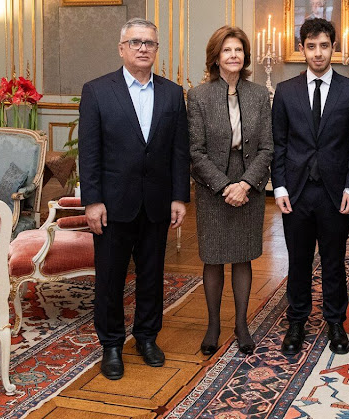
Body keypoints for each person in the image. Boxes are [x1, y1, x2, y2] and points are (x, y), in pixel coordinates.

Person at [79, 18, 190, 380]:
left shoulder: (173, 93)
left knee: (152, 276)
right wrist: (92, 201)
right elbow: (90, 152)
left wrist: (179, 197)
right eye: (136, 42)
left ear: (157, 50)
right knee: (110, 278)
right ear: (121, 48)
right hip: (112, 205)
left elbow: (179, 150)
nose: (143, 48)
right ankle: (111, 344)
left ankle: (146, 337)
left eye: (150, 43)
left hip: (157, 203)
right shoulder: (96, 90)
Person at [271, 18, 349, 356]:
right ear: (302, 49)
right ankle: (297, 321)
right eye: (311, 46)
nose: (318, 53)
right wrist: (278, 187)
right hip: (295, 192)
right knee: (299, 260)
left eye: (324, 46)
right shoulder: (286, 90)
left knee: (334, 260)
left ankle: (335, 322)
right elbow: (279, 144)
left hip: (336, 192)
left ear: (334, 48)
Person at [188, 26, 273, 356]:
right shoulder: (198, 96)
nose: (234, 55)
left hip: (249, 181)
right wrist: (225, 186)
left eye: (238, 50)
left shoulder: (258, 95)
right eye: (227, 51)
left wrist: (247, 184)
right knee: (212, 257)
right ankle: (213, 324)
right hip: (213, 186)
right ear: (215, 57)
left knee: (243, 256)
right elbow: (195, 151)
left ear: (245, 56)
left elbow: (267, 147)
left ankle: (241, 324)